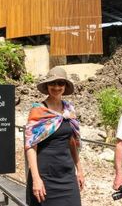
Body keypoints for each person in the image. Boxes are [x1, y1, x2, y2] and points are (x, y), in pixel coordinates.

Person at [25, 67, 84, 206]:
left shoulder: (69, 109)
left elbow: (72, 142)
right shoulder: (38, 111)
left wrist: (79, 170)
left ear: (65, 86)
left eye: (60, 83)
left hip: (67, 175)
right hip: (45, 176)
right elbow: (30, 146)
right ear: (47, 86)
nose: (56, 87)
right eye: (52, 83)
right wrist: (36, 179)